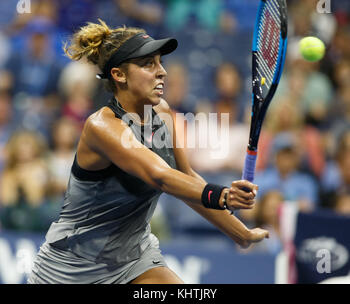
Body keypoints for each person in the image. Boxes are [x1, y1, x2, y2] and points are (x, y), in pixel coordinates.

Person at [27, 19, 268, 284]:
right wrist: (222, 195)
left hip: (134, 260)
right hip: (70, 270)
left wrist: (240, 233)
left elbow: (184, 177)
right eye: (148, 64)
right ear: (119, 75)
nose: (162, 71)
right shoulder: (101, 127)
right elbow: (160, 177)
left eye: (160, 62)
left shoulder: (163, 113)